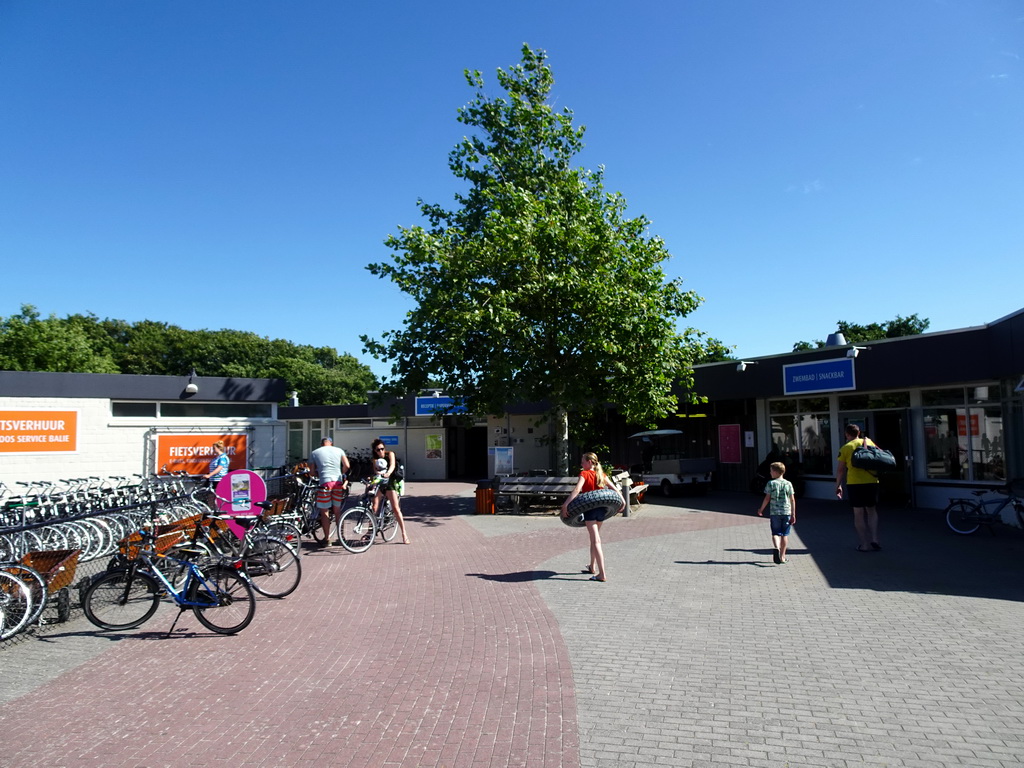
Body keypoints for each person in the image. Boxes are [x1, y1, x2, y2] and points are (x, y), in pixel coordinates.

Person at [560, 452, 626, 583]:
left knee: (596, 541)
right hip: (602, 510)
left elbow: (577, 490)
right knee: (594, 539)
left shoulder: (584, 474)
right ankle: (592, 566)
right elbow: (615, 489)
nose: (581, 464)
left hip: (589, 510)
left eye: (583, 461)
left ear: (589, 462)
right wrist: (623, 501)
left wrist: (566, 505)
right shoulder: (601, 474)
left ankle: (602, 574)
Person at [835, 424, 881, 552]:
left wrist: (838, 485)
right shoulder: (869, 442)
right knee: (872, 511)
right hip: (872, 481)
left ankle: (864, 544)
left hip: (855, 483)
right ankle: (875, 539)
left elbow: (840, 470)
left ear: (846, 434)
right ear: (859, 432)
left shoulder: (846, 448)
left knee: (858, 513)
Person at [308, 437, 350, 548]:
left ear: (321, 444)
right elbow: (347, 465)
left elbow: (311, 472)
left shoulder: (315, 452)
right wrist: (340, 473)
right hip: (337, 483)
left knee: (324, 511)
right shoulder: (339, 450)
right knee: (337, 511)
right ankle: (341, 537)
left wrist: (319, 474)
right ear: (331, 443)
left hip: (325, 484)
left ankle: (327, 539)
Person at [371, 438, 410, 544]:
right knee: (373, 506)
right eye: (378, 450)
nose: (380, 451)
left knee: (396, 508)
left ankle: (404, 534)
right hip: (381, 482)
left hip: (391, 481)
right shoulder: (374, 459)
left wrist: (388, 473)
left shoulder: (390, 454)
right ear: (375, 451)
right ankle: (370, 532)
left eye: (382, 449)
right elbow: (375, 470)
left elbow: (392, 465)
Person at [756, 461, 796, 564]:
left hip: (775, 512)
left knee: (775, 533)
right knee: (785, 534)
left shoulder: (771, 483)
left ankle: (776, 548)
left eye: (771, 471)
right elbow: (792, 499)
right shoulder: (788, 484)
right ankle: (782, 557)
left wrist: (761, 509)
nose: (770, 473)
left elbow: (767, 498)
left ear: (775, 472)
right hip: (786, 512)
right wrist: (793, 514)